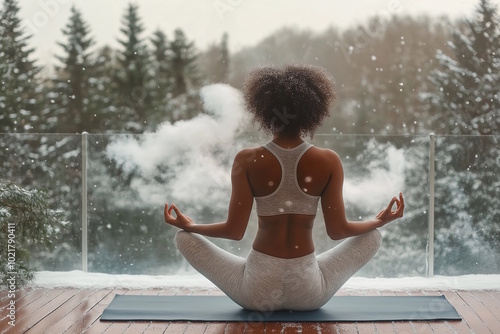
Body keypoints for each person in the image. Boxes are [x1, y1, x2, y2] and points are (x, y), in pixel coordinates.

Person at [164, 64, 405, 312]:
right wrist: (379, 221)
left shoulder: (247, 160)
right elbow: (338, 230)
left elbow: (234, 231)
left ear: (264, 111)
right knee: (373, 236)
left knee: (184, 238)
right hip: (310, 293)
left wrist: (190, 226)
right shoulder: (328, 160)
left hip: (255, 291)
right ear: (313, 111)